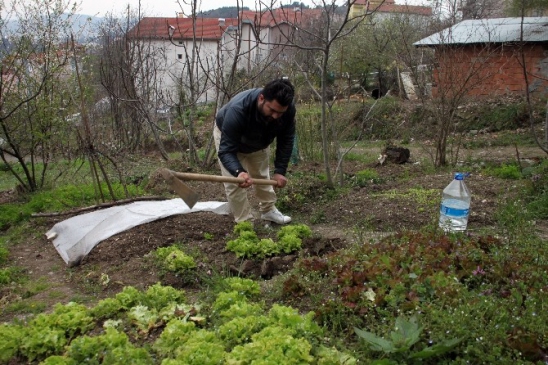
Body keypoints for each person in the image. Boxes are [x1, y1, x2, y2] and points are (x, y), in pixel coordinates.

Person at [213, 78, 296, 224]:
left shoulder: (287, 111)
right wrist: (239, 171)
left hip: (259, 140)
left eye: (280, 112)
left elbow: (286, 140)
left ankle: (268, 210)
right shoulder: (238, 110)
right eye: (272, 110)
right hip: (229, 139)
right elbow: (226, 151)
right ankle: (244, 221)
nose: (276, 116)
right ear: (261, 98)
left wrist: (280, 171)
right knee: (235, 183)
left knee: (262, 176)